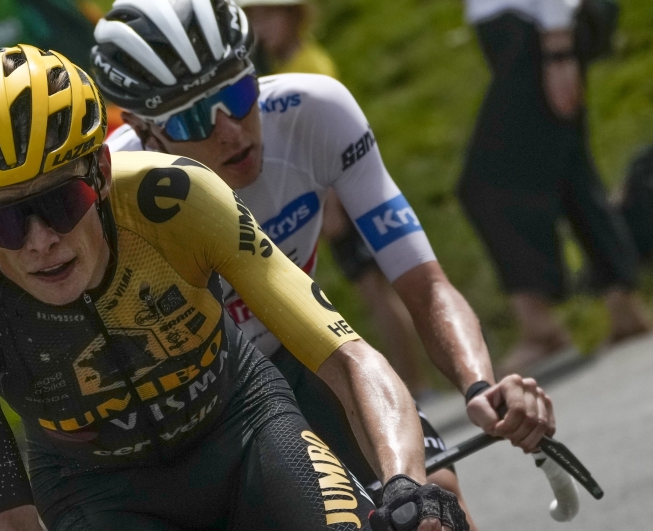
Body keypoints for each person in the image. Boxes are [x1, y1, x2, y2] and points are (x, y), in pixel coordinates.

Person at [0, 43, 469, 531]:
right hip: (97, 495)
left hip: (244, 432)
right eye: (2, 221)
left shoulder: (177, 202)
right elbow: (7, 512)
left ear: (101, 170)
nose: (40, 241)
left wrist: (402, 483)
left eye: (59, 201)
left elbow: (344, 354)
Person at [91, 0, 557, 526]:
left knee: (435, 509)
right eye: (195, 116)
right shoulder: (116, 196)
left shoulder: (314, 111)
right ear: (144, 129)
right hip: (200, 406)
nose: (232, 132)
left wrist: (478, 386)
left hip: (308, 355)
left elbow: (424, 284)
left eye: (239, 94)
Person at [236, 0, 433, 397]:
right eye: (254, 18)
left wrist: (331, 206)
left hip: (338, 200)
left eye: (269, 16)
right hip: (332, 199)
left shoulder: (307, 66)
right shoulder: (286, 65)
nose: (261, 28)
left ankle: (416, 385)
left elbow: (320, 144)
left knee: (378, 291)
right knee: (373, 292)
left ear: (294, 16)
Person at [458, 0, 652, 373]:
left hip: (537, 35)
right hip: (527, 34)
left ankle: (540, 327)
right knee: (571, 173)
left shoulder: (549, 39)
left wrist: (557, 47)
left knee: (484, 187)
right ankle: (624, 307)